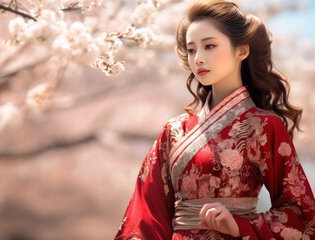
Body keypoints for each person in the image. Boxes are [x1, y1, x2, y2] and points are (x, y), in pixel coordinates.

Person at [114, 0, 315, 239]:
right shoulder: (174, 130)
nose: (198, 58)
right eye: (191, 50)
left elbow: (301, 214)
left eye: (209, 46)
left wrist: (240, 225)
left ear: (241, 50)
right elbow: (146, 211)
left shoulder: (263, 127)